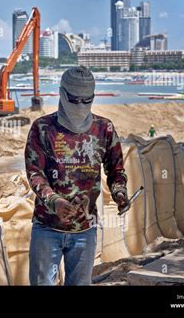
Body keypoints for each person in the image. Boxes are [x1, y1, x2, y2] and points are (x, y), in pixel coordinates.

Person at [25, 66, 129, 286]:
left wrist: (120, 192)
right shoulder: (43, 128)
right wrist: (55, 201)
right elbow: (35, 173)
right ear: (62, 95)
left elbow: (116, 169)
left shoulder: (104, 129)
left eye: (86, 100)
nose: (80, 106)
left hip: (85, 229)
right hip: (47, 227)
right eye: (74, 100)